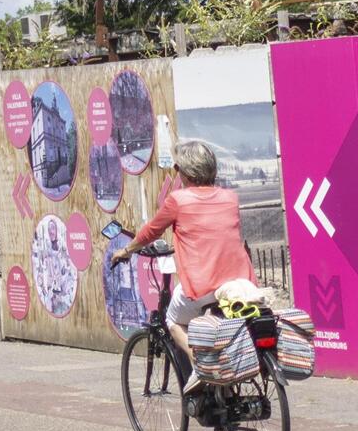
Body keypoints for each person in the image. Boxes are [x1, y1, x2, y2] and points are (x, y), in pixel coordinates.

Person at [109, 139, 261, 377]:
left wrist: (126, 250)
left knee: (172, 319)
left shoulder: (178, 200)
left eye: (177, 168)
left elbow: (151, 231)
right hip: (240, 284)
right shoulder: (230, 197)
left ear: (185, 172)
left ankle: (203, 365)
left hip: (204, 288)